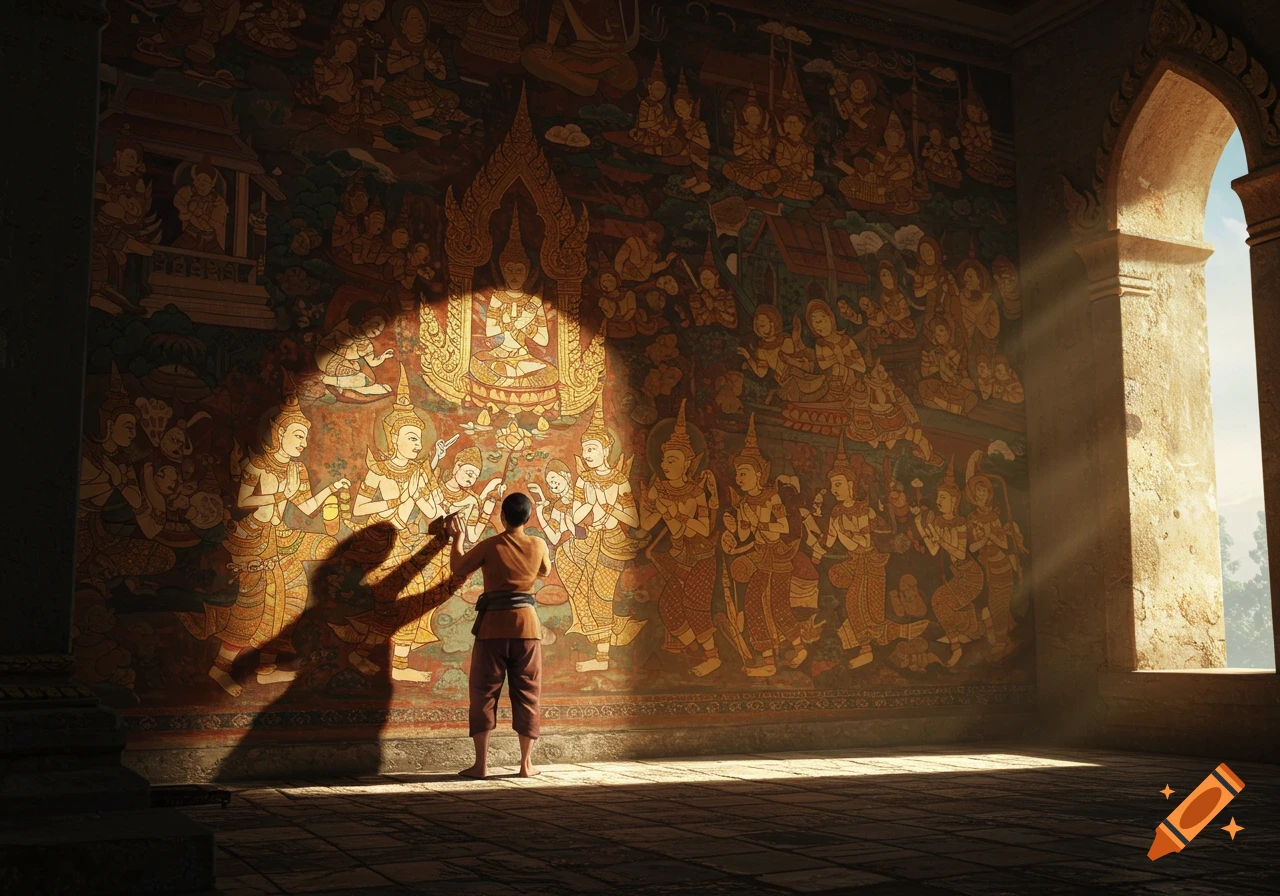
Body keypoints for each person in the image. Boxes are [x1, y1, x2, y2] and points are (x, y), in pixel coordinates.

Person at [447, 491, 550, 779]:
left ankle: (480, 765)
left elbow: (458, 568)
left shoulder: (490, 545)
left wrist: (457, 538)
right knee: (528, 692)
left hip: (492, 627)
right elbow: (544, 571)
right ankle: (526, 765)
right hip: (527, 628)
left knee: (483, 693)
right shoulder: (539, 544)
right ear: (527, 518)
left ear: (502, 517)